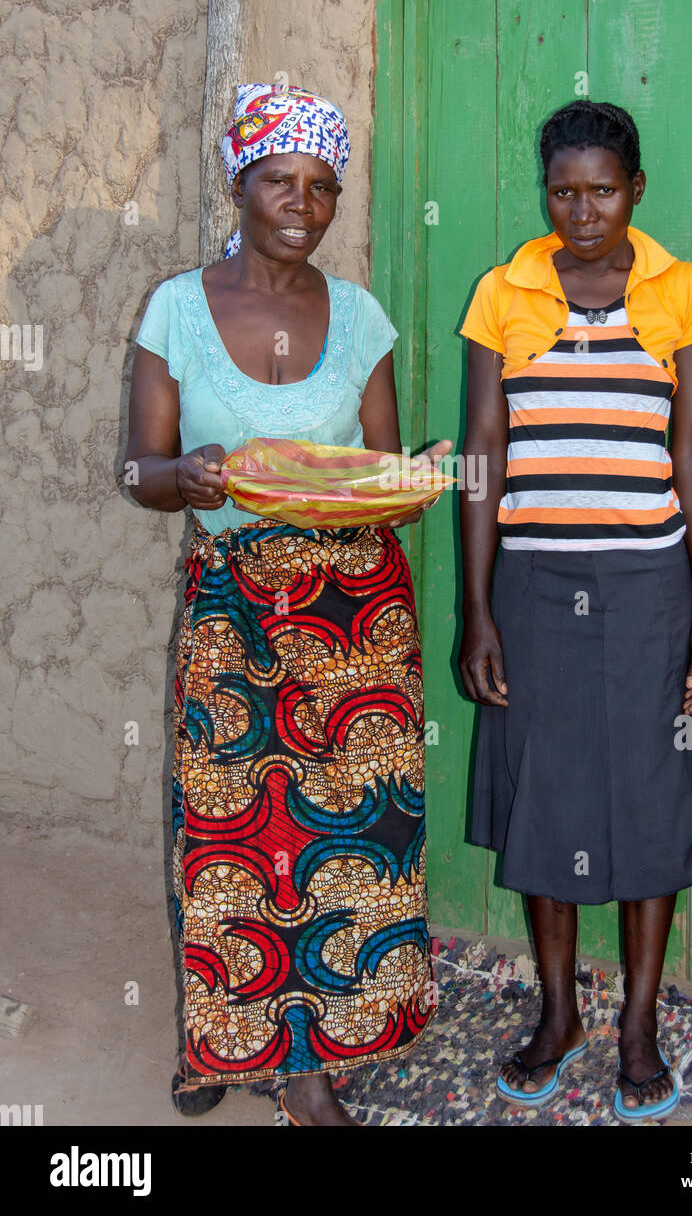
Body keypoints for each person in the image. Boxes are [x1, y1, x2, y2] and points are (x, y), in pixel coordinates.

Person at [126, 83, 450, 1127]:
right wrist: (189, 476)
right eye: (281, 181)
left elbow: (377, 473)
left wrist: (419, 478)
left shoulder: (358, 316)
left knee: (353, 835)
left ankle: (309, 1067)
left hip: (358, 616)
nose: (303, 203)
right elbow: (136, 468)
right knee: (227, 834)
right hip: (235, 603)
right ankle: (218, 1040)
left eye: (322, 186)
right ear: (241, 182)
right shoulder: (177, 307)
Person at [457, 99, 692, 1122]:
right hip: (531, 592)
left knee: (646, 803)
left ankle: (638, 1020)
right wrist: (474, 607)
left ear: (636, 190)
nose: (581, 211)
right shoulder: (503, 291)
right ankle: (558, 1011)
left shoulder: (677, 289)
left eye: (601, 191)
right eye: (562, 190)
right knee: (546, 798)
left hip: (648, 592)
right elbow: (482, 454)